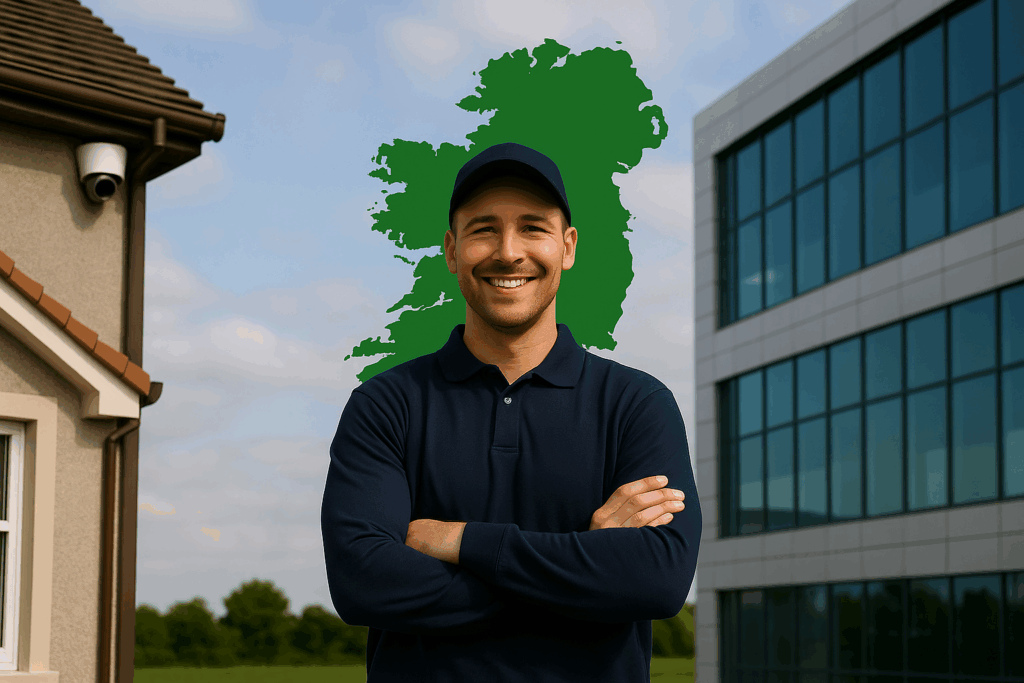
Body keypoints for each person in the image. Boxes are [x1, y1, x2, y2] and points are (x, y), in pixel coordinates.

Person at [321, 142, 701, 682]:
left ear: (567, 246)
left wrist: (463, 542)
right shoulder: (385, 404)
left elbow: (658, 580)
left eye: (532, 227)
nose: (507, 251)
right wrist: (584, 562)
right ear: (451, 251)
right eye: (483, 229)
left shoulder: (637, 405)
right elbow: (362, 584)